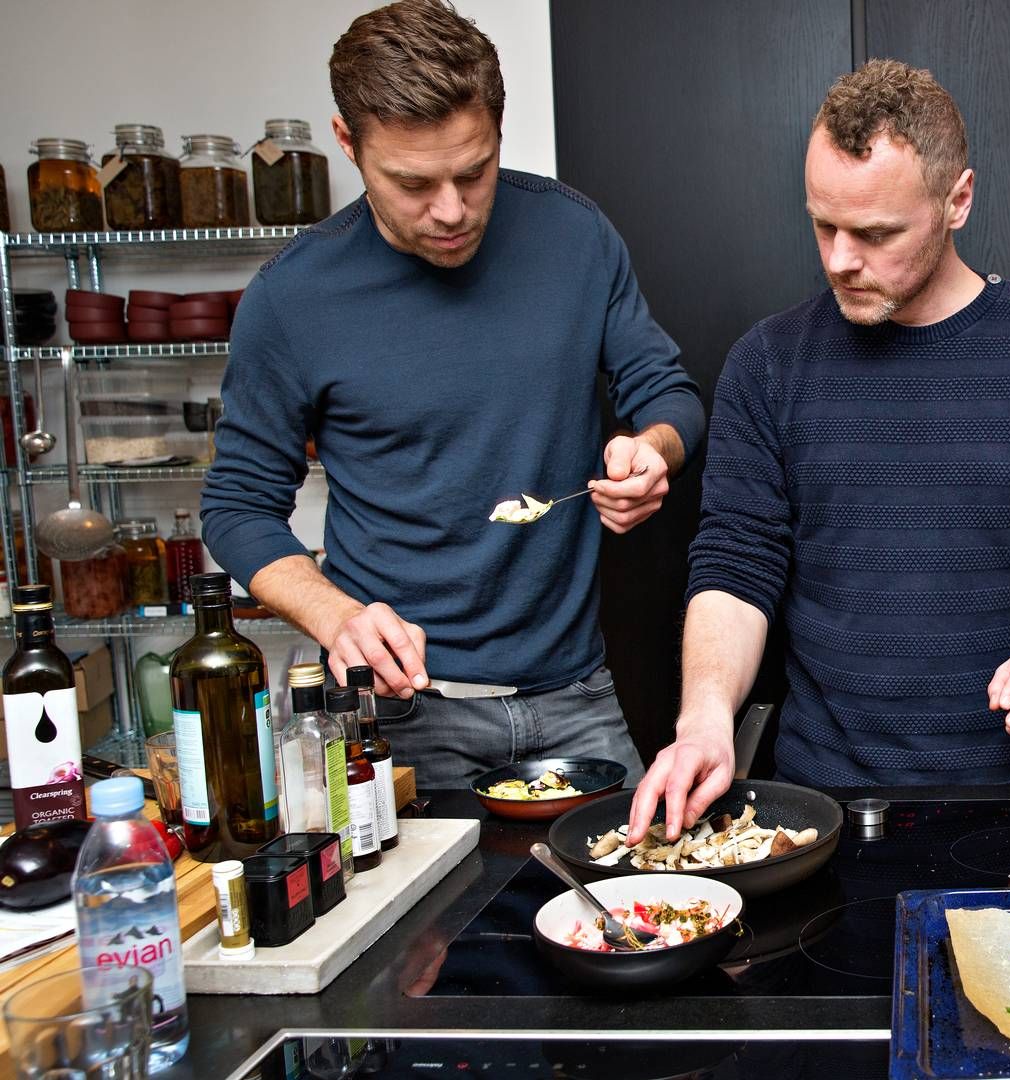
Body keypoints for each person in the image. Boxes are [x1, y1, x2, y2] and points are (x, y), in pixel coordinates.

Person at [628, 59, 1010, 838]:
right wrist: (704, 717)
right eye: (823, 224)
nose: (840, 258)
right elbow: (736, 567)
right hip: (821, 811)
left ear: (958, 201)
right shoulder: (768, 363)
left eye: (875, 233)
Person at [200, 0, 703, 787]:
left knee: (635, 908)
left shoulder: (575, 236)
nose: (451, 210)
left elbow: (666, 390)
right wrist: (338, 618)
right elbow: (236, 505)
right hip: (397, 719)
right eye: (411, 182)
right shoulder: (291, 299)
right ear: (347, 142)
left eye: (474, 171)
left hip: (576, 696)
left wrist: (651, 448)